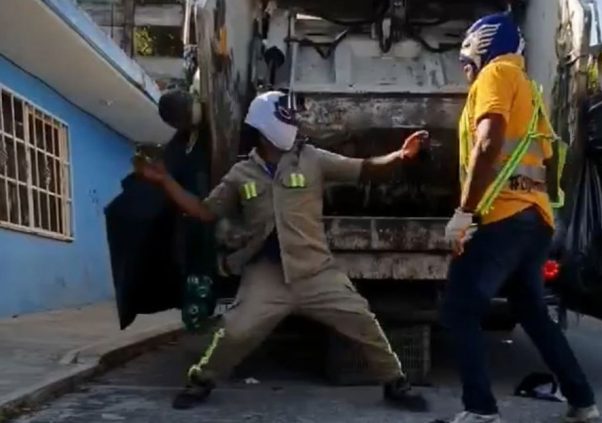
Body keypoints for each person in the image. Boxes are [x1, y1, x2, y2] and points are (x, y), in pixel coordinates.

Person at [134, 90, 430, 412]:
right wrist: (165, 182)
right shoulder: (241, 174)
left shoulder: (313, 159)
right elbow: (204, 212)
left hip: (315, 270)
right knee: (234, 331)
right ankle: (201, 380)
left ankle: (395, 383)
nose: (293, 123)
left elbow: (365, 169)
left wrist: (400, 156)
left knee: (363, 321)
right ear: (264, 124)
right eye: (286, 117)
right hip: (267, 274)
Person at [440, 12, 599, 423]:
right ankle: (582, 400)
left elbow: (489, 140)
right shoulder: (530, 88)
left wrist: (465, 212)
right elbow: (547, 158)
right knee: (531, 312)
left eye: (465, 59)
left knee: (460, 308)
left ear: (482, 45)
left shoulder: (496, 73)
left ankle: (480, 410)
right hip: (535, 219)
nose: (465, 69)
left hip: (501, 216)